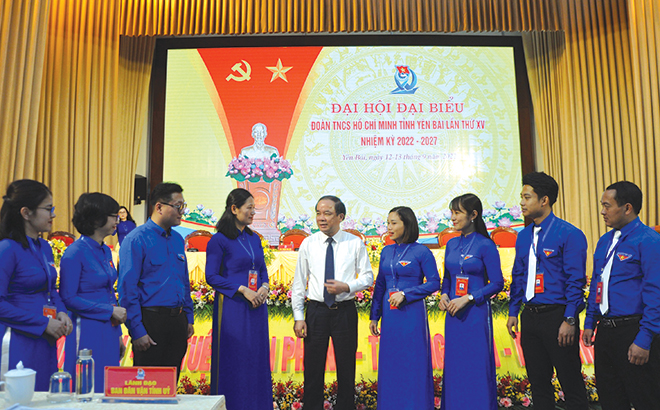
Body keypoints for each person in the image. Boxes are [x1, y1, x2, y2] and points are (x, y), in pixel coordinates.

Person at [506, 172, 589, 410]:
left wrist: (569, 319)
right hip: (530, 317)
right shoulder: (523, 236)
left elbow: (576, 281)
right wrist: (513, 311)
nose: (521, 202)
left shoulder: (569, 234)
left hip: (558, 316)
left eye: (526, 197)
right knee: (539, 385)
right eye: (521, 197)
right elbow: (519, 276)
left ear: (544, 200)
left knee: (570, 382)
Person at [582, 181, 660, 410]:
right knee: (610, 398)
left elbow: (656, 294)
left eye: (607, 206)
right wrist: (589, 322)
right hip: (605, 330)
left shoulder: (649, 241)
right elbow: (598, 281)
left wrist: (644, 338)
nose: (602, 211)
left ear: (627, 208)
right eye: (601, 205)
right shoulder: (605, 241)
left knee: (645, 398)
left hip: (634, 331)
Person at [291, 195, 373, 410]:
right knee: (313, 370)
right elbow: (299, 283)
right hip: (316, 311)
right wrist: (299, 317)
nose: (321, 218)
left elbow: (367, 277)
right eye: (318, 213)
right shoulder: (309, 243)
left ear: (340, 216)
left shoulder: (354, 243)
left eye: (327, 213)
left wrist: (346, 287)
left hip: (344, 311)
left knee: (346, 369)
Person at [0, 179, 72, 391]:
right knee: (19, 399)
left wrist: (61, 312)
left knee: (43, 395)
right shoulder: (7, 249)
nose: (54, 215)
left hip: (45, 338)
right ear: (26, 213)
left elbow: (51, 289)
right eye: (48, 209)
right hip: (18, 338)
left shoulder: (44, 247)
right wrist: (42, 323)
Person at [118, 182, 194, 379]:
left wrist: (188, 317)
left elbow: (183, 281)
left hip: (177, 321)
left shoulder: (178, 239)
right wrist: (137, 331)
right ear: (159, 207)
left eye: (183, 206)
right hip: (151, 322)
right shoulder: (136, 239)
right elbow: (128, 290)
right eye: (178, 206)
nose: (182, 212)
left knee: (170, 385)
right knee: (148, 388)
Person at [205, 188, 271, 409]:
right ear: (234, 209)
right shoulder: (219, 240)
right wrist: (243, 289)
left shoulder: (253, 238)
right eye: (249, 208)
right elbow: (211, 276)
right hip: (233, 307)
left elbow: (261, 268)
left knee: (256, 358)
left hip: (256, 307)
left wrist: (264, 286)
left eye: (255, 208)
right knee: (234, 359)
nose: (254, 212)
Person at [369, 206, 439, 409]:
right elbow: (380, 285)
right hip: (390, 318)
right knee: (391, 364)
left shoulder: (421, 251)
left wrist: (407, 295)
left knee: (412, 362)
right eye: (387, 223)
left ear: (406, 224)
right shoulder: (386, 251)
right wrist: (374, 316)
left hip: (411, 315)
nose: (388, 227)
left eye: (393, 223)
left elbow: (434, 282)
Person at [438, 194, 503, 409]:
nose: (453, 217)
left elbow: (497, 283)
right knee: (456, 365)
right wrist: (444, 294)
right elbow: (446, 278)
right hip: (453, 314)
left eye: (457, 212)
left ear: (473, 215)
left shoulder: (486, 245)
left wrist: (469, 297)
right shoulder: (451, 244)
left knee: (475, 364)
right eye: (451, 212)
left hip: (475, 313)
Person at [60, 193, 127, 391]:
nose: (117, 220)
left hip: (109, 325)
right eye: (113, 215)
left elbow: (108, 293)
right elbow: (68, 298)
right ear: (96, 219)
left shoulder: (105, 250)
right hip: (86, 326)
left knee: (108, 383)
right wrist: (109, 312)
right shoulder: (74, 253)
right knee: (87, 385)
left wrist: (118, 335)